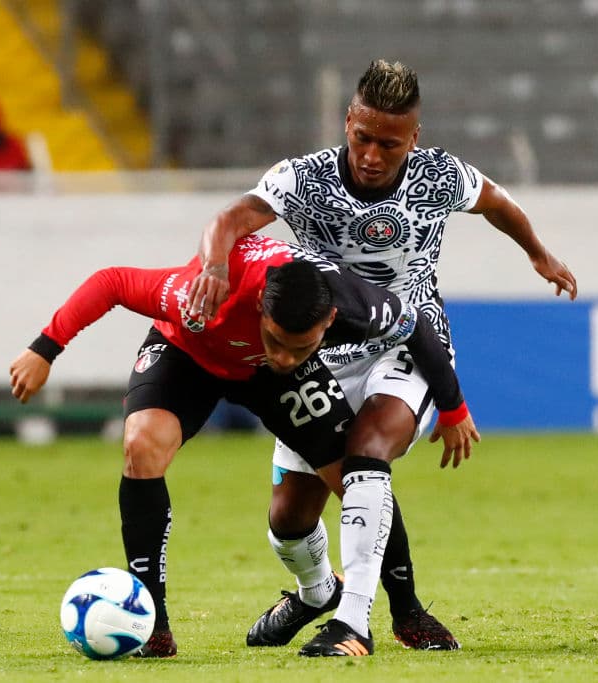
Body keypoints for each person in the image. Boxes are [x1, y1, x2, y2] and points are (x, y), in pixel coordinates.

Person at [186, 59, 577, 654]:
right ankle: (316, 590)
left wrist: (539, 254)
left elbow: (498, 202)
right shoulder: (303, 177)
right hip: (322, 349)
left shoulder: (439, 176)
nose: (372, 155)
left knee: (368, 451)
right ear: (347, 121)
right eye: (362, 137)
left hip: (410, 341)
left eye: (389, 145)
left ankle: (354, 622)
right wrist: (215, 264)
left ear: (413, 138)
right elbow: (231, 220)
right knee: (288, 521)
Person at [9, 234, 478, 658]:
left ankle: (407, 610)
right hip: (189, 356)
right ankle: (154, 624)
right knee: (142, 443)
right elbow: (112, 282)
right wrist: (45, 347)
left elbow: (418, 329)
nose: (285, 355)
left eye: (302, 347)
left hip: (271, 383)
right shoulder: (202, 297)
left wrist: (454, 408)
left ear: (330, 320)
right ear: (260, 312)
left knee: (357, 479)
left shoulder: (355, 304)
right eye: (277, 340)